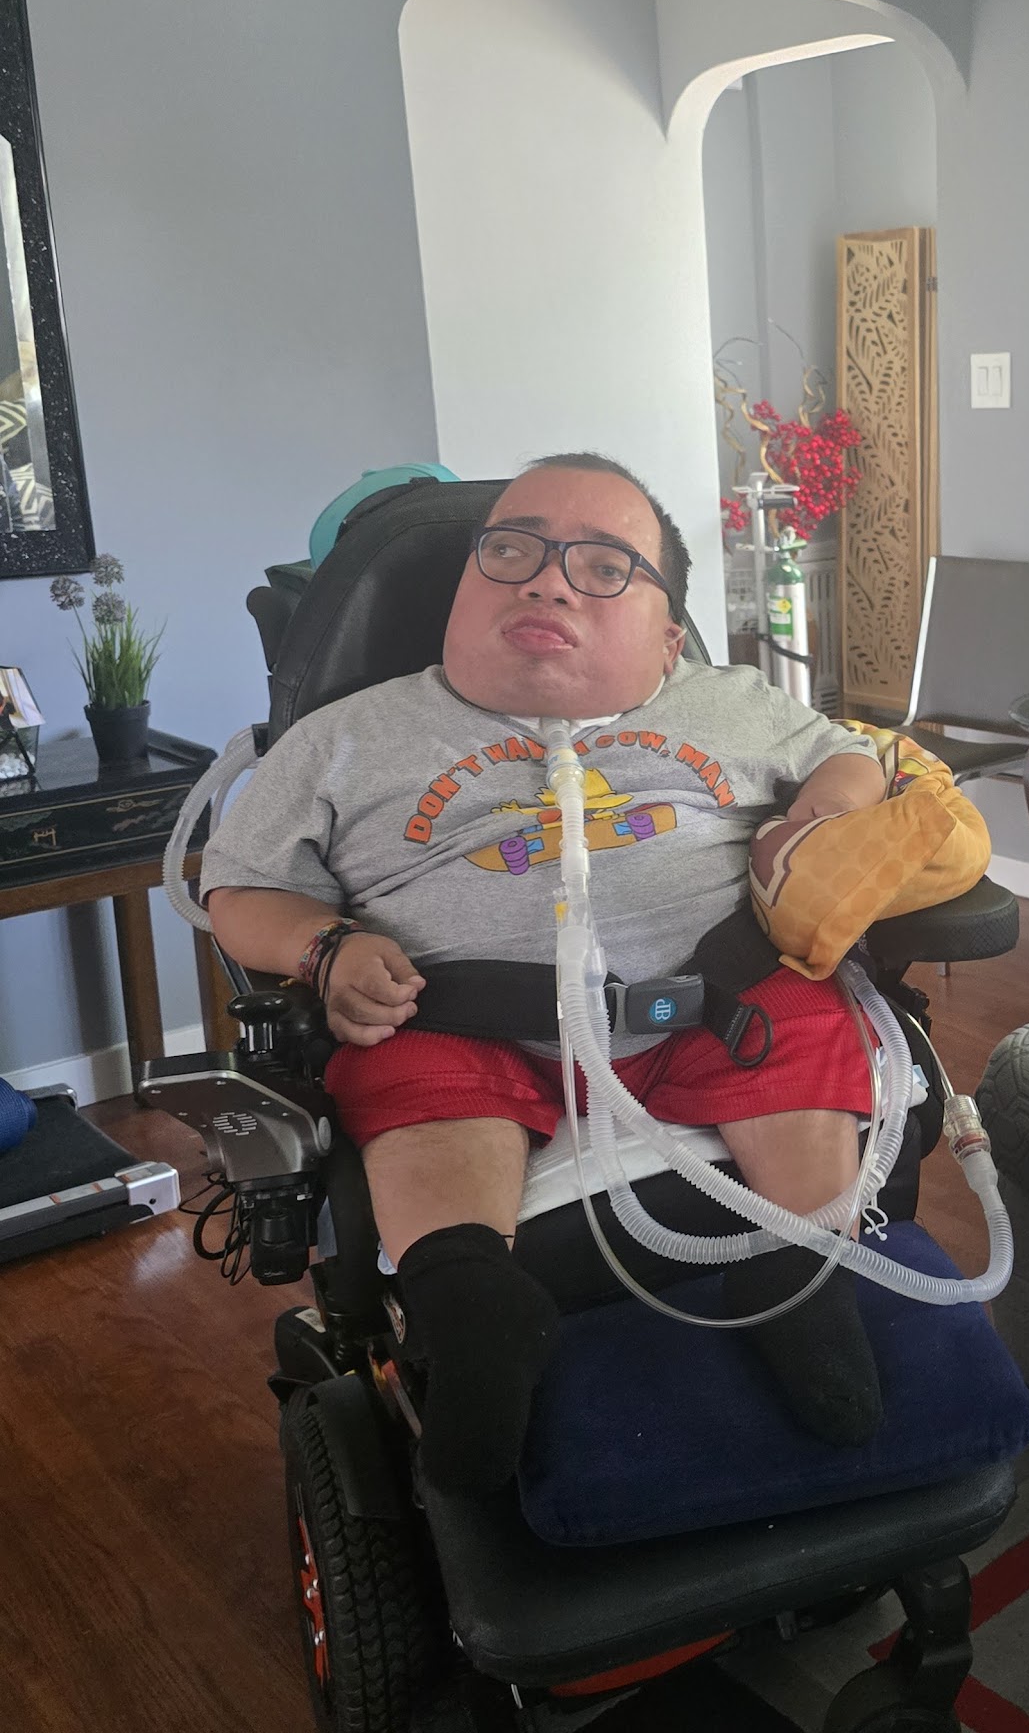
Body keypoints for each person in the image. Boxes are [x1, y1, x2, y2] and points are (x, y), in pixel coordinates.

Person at [202, 453, 891, 1493]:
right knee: (401, 1073)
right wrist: (323, 947)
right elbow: (240, 889)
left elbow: (853, 755)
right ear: (460, 593)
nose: (549, 584)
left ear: (670, 636)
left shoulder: (733, 704)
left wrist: (822, 817)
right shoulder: (344, 738)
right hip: (458, 1022)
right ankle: (478, 1313)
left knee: (800, 1013)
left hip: (713, 1008)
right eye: (513, 551)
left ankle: (804, 1275)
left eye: (605, 566)